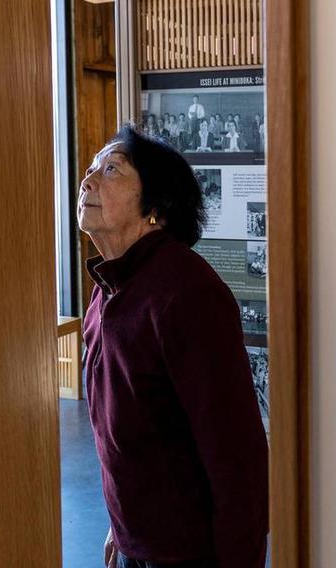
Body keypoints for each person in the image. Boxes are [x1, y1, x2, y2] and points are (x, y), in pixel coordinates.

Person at [77, 125, 269, 568]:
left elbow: (236, 456)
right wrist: (119, 526)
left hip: (186, 551)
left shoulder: (186, 292)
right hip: (135, 540)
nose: (88, 181)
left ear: (156, 208)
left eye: (111, 169)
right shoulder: (109, 284)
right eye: (89, 169)